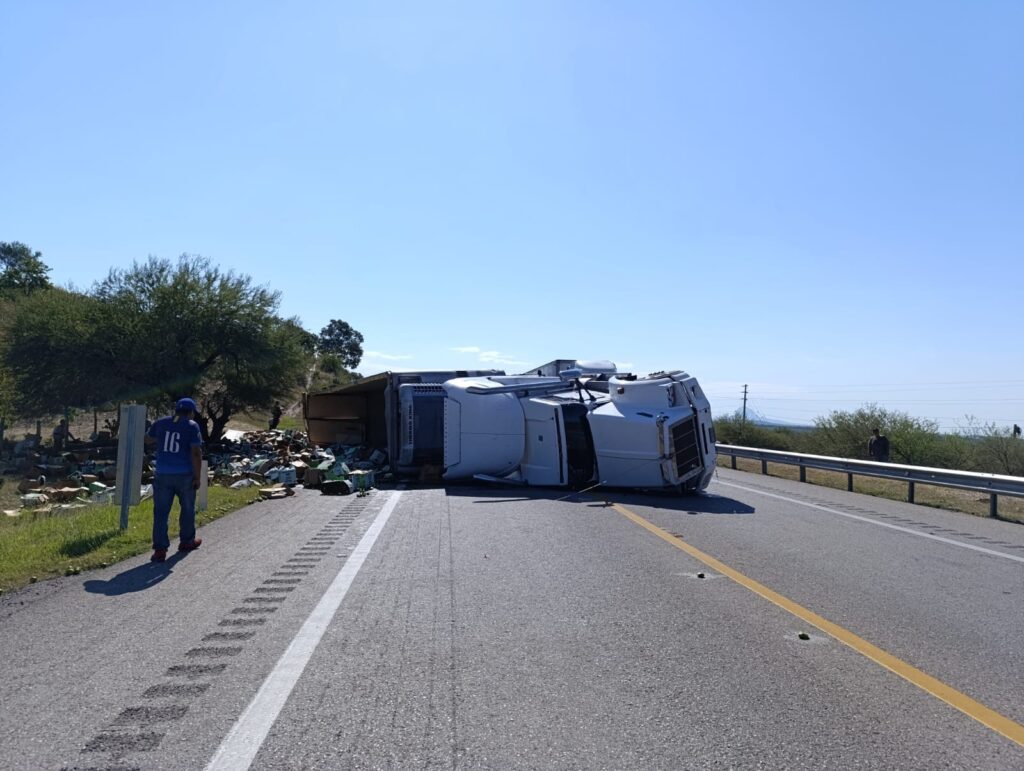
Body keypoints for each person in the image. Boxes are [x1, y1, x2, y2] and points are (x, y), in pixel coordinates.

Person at [144, 397, 204, 562]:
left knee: (161, 512)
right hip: (184, 474)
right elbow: (196, 453)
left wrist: (161, 438)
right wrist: (198, 477)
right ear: (191, 412)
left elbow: (148, 439)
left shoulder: (161, 423)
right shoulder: (192, 426)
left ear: (176, 410)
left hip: (162, 474)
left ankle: (160, 550)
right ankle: (187, 541)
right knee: (187, 508)